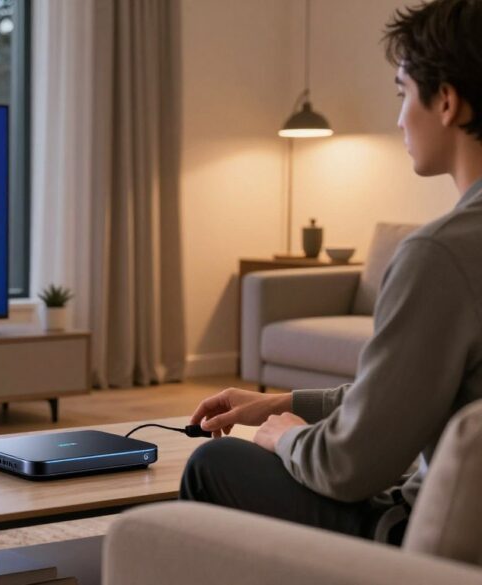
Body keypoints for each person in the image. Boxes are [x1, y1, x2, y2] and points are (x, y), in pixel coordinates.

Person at [180, 0, 482, 546]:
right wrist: (283, 402)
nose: (397, 119)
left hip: (425, 536)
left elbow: (350, 467)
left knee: (214, 463)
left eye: (401, 94)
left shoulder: (440, 256)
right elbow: (411, 397)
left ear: (445, 101)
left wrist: (285, 438)